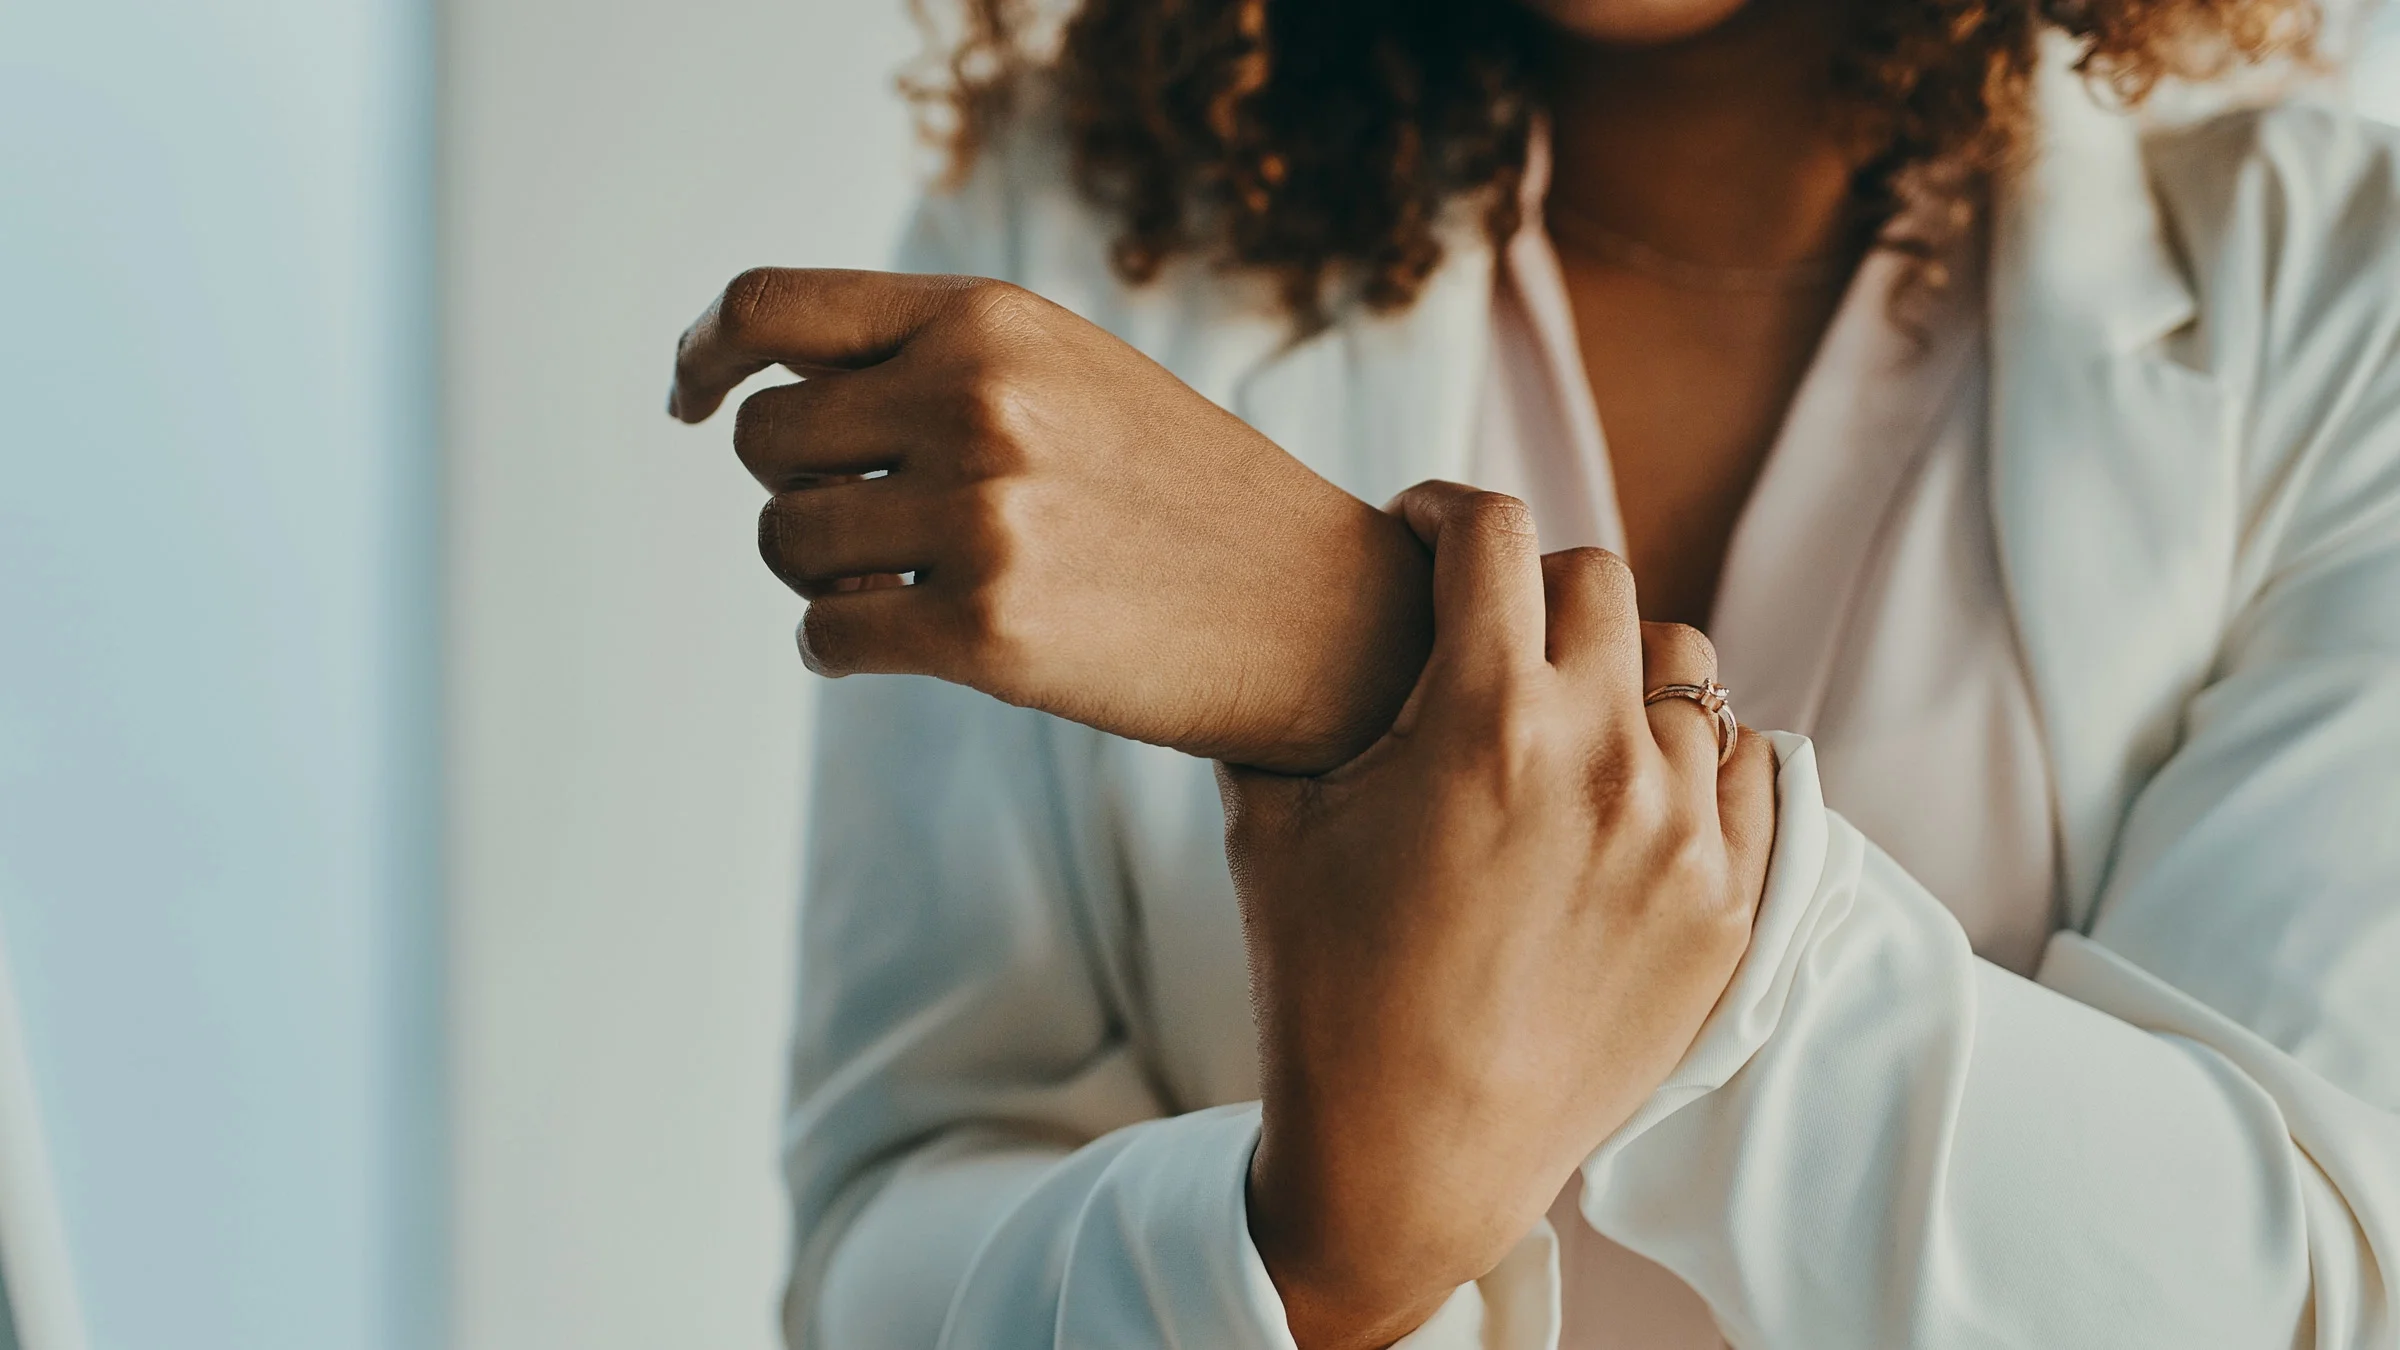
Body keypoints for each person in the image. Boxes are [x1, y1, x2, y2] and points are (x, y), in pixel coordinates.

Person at [667, 0, 2400, 1344]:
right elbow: (884, 1243)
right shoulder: (1070, 231)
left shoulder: (2339, 306)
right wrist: (1305, 1266)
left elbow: (2306, 1294)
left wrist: (1362, 655)